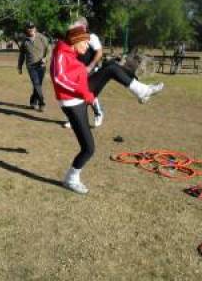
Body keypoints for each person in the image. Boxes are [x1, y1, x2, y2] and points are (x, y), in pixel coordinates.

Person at [50, 27, 164, 194]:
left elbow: (76, 74)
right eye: (85, 42)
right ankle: (71, 179)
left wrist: (86, 88)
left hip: (82, 93)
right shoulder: (61, 54)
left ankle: (142, 91)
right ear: (75, 41)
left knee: (111, 67)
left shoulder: (70, 52)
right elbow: (60, 79)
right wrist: (86, 95)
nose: (88, 46)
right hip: (73, 103)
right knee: (88, 148)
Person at [63, 18, 104, 128]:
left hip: (88, 70)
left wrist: (90, 66)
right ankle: (73, 119)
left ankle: (98, 113)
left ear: (84, 27)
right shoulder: (74, 38)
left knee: (88, 92)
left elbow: (99, 52)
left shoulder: (92, 37)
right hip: (74, 70)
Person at [17, 21, 50, 111]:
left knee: (38, 85)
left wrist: (45, 58)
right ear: (26, 29)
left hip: (41, 65)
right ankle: (42, 103)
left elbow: (49, 50)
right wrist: (19, 66)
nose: (31, 29)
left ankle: (33, 101)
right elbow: (21, 55)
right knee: (36, 83)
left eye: (32, 27)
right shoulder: (24, 41)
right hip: (31, 66)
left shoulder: (42, 38)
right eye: (29, 27)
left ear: (35, 28)